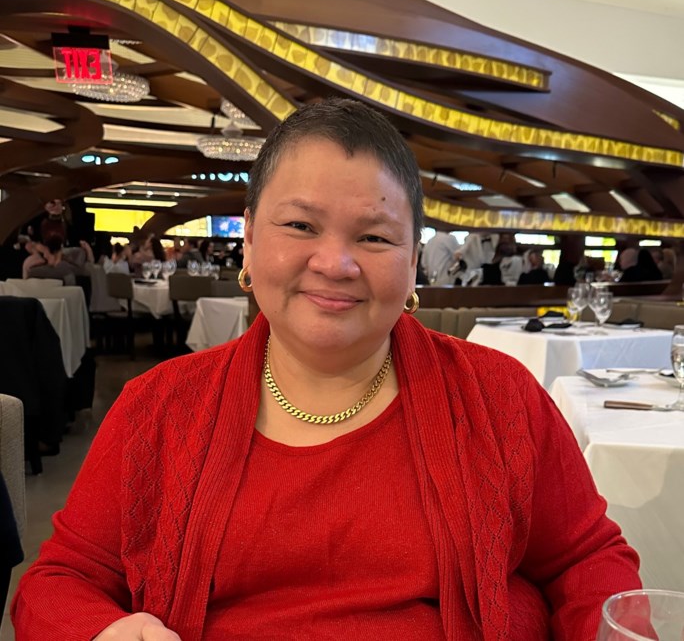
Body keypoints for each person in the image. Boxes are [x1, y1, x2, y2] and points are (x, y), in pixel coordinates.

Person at [12, 98, 640, 640]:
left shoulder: (499, 394)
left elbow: (585, 561)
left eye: (374, 237)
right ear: (250, 239)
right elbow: (61, 579)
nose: (335, 263)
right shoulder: (158, 406)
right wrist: (102, 629)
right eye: (300, 225)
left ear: (412, 262)